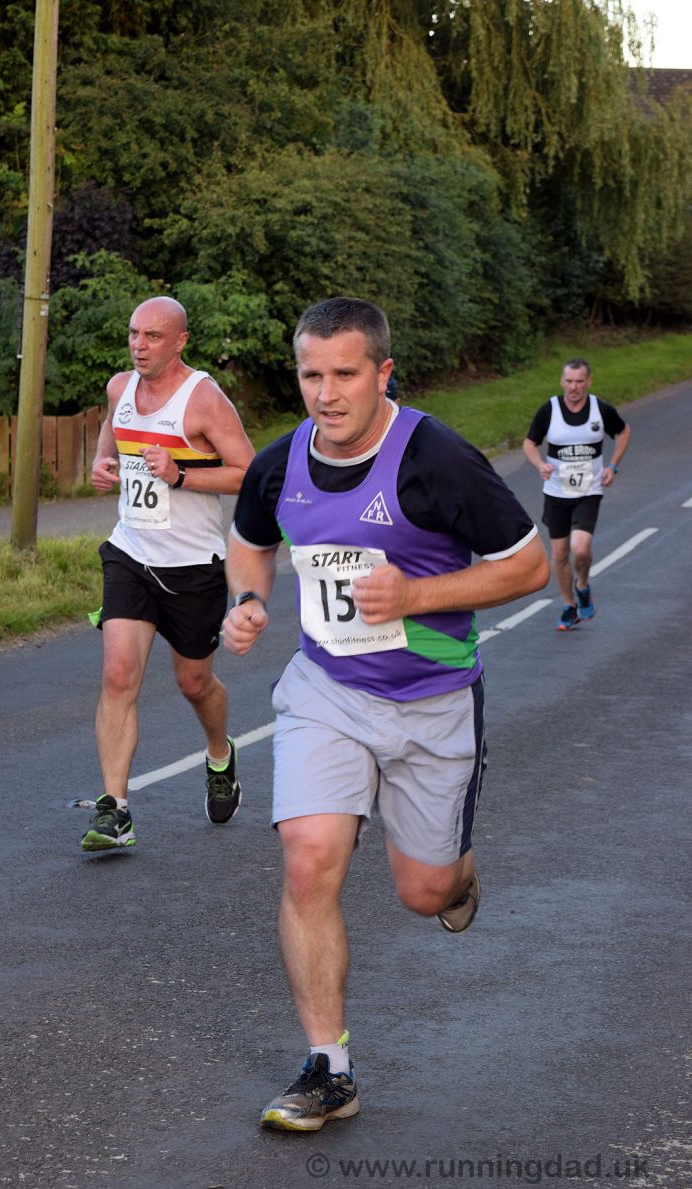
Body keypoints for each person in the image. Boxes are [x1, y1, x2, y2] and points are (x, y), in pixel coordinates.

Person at [222, 297, 550, 1131]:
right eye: (310, 374)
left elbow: (528, 568)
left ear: (382, 373)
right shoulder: (278, 461)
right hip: (326, 691)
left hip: (433, 702)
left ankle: (458, 873)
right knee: (308, 856)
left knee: (423, 889)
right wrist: (251, 597)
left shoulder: (434, 458)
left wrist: (417, 593)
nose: (326, 393)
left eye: (344, 373)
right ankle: (328, 1068)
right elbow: (250, 534)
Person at [80, 296, 255, 852]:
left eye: (153, 336)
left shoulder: (202, 399)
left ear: (179, 341)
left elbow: (247, 472)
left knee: (193, 682)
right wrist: (102, 462)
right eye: (134, 333)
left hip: (193, 566)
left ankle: (220, 754)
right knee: (117, 676)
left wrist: (180, 476)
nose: (139, 345)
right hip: (130, 552)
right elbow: (113, 431)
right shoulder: (119, 388)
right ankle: (116, 810)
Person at [522, 358, 631, 631]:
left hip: (588, 491)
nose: (574, 387)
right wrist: (540, 465)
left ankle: (582, 584)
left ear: (588, 382)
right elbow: (529, 443)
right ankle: (570, 605)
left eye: (579, 381)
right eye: (569, 381)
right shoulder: (550, 409)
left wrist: (613, 465)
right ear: (562, 382)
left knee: (580, 549)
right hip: (557, 492)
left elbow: (623, 431)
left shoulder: (599, 409)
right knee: (559, 554)